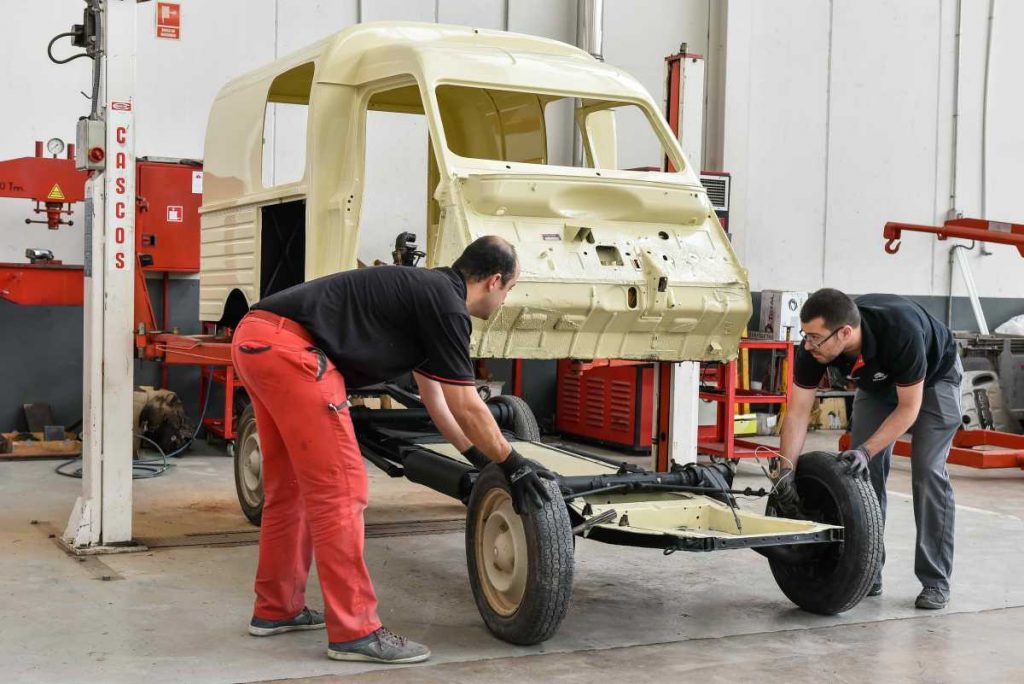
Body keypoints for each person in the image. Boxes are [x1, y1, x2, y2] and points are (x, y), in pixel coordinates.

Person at [230, 236, 554, 663]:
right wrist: (512, 462)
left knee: (289, 489)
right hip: (294, 351)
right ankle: (356, 631)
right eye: (509, 289)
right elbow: (467, 404)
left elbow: (439, 402)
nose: (505, 299)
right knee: (342, 493)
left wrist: (480, 461)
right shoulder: (447, 307)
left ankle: (276, 609)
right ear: (494, 281)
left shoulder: (428, 295)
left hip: (256, 339)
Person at [777, 288, 961, 610]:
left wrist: (866, 449)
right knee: (860, 475)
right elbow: (798, 412)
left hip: (934, 378)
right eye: (806, 335)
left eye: (815, 338)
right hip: (877, 384)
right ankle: (868, 571)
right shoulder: (814, 347)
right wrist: (785, 472)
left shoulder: (900, 331)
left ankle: (935, 580)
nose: (807, 345)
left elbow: (908, 408)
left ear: (844, 333)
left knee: (927, 471)